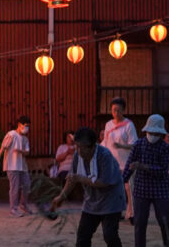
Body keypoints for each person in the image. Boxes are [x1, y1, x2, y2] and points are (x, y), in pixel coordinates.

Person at [51, 127, 125, 247]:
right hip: (91, 202)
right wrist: (61, 196)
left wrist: (80, 178)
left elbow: (104, 182)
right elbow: (71, 179)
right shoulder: (77, 155)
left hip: (111, 201)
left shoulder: (104, 155)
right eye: (77, 146)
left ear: (92, 146)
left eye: (82, 147)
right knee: (83, 236)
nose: (79, 150)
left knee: (110, 235)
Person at [122, 114, 169, 247]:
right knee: (140, 224)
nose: (152, 135)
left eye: (155, 133)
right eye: (150, 132)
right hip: (141, 190)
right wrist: (121, 183)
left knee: (165, 222)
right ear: (146, 131)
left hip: (161, 190)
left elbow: (163, 170)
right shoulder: (138, 144)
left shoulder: (165, 148)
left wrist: (144, 166)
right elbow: (129, 166)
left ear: (160, 133)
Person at [103, 97, 137, 222]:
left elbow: (134, 144)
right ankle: (115, 213)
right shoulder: (108, 124)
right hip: (113, 162)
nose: (116, 113)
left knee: (129, 188)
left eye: (119, 110)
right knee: (114, 189)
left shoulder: (129, 125)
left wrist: (121, 145)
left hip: (127, 161)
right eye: (114, 110)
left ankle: (131, 214)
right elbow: (105, 143)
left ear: (123, 110)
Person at [0, 115, 31, 217]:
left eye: (28, 126)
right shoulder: (11, 134)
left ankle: (23, 204)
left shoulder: (25, 139)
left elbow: (27, 152)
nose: (27, 128)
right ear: (19, 125)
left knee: (27, 185)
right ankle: (13, 209)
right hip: (12, 165)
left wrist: (21, 151)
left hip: (22, 166)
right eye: (25, 125)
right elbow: (4, 146)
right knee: (15, 187)